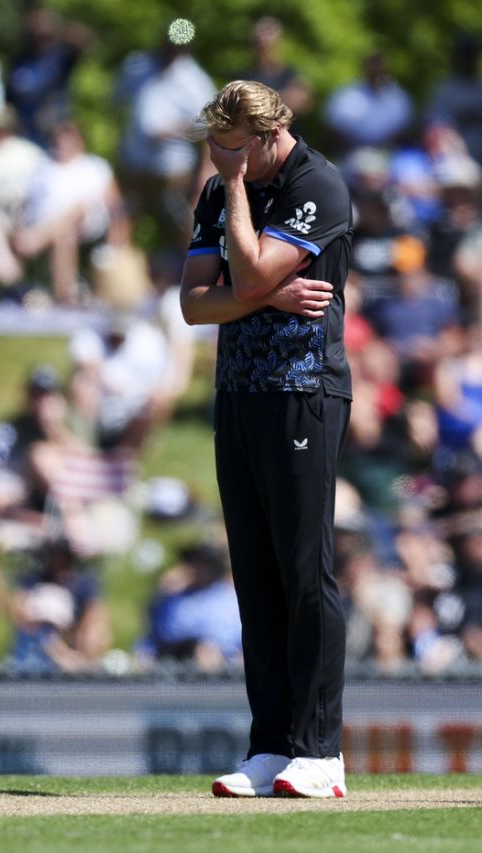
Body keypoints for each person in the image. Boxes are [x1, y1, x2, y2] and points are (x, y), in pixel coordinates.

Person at [179, 80, 352, 799]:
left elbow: (240, 274)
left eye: (232, 143)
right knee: (254, 572)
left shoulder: (319, 184)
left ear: (266, 135)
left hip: (302, 391)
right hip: (239, 393)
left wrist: (249, 282)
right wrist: (268, 293)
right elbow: (193, 302)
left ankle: (319, 751)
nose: (219, 157)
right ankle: (269, 744)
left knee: (304, 570)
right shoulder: (222, 190)